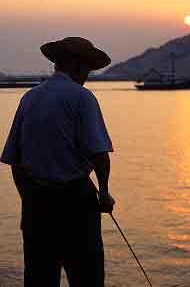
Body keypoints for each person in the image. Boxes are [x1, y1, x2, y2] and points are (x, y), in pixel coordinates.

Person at [0, 37, 115, 287]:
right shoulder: (82, 98)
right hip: (76, 207)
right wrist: (104, 195)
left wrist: (29, 198)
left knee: (39, 280)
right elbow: (99, 156)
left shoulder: (29, 98)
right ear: (75, 64)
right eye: (86, 68)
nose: (87, 74)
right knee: (88, 279)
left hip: (36, 209)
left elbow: (14, 160)